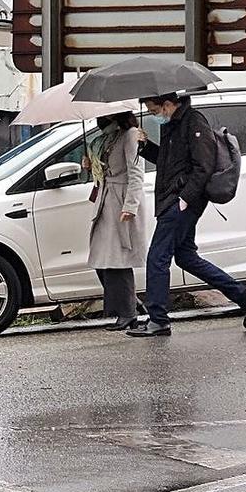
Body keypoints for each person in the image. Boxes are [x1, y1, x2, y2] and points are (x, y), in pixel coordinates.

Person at [134, 93, 246, 337]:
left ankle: (158, 319)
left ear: (168, 105)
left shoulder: (194, 122)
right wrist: (146, 146)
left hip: (181, 201)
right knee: (186, 257)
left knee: (157, 257)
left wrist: (184, 199)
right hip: (175, 200)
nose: (153, 115)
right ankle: (243, 295)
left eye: (153, 110)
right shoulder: (173, 125)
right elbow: (169, 162)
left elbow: (204, 165)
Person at [84, 111, 147, 331]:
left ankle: (128, 313)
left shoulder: (130, 135)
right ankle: (130, 303)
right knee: (102, 259)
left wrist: (131, 206)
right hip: (106, 200)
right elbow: (107, 167)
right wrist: (91, 165)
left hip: (121, 202)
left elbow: (136, 173)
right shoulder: (108, 139)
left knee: (117, 260)